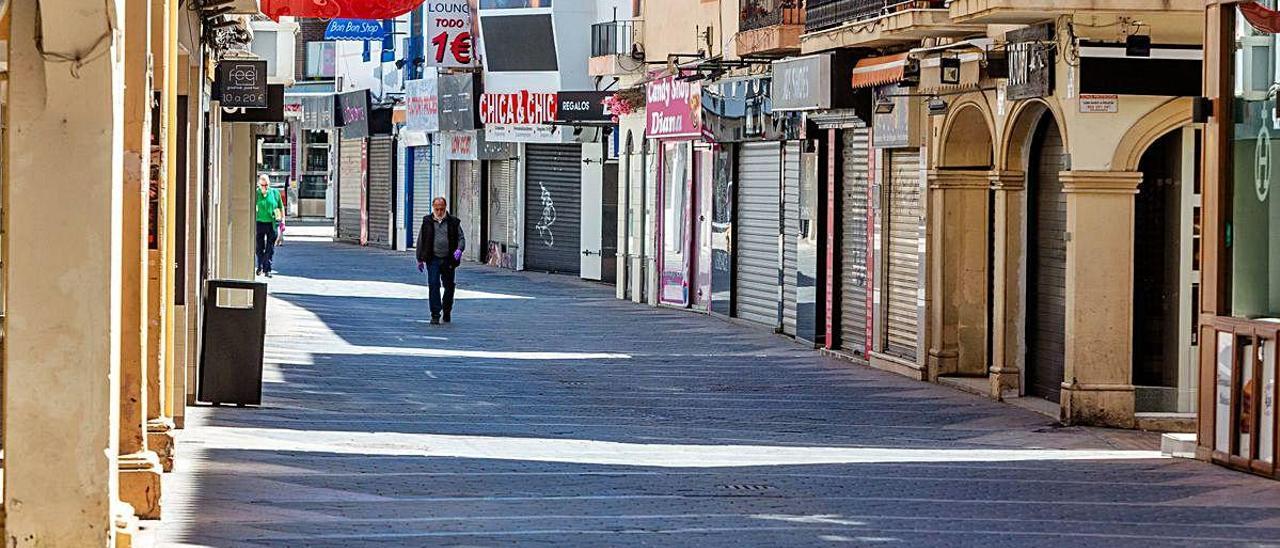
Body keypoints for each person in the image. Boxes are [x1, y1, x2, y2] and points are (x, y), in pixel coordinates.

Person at [416, 197, 465, 325]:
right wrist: (420, 259)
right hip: (433, 259)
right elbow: (421, 240)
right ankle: (435, 314)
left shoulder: (453, 222)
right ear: (433, 208)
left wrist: (459, 249)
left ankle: (447, 310)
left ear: (445, 207)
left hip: (448, 259)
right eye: (437, 209)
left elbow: (461, 238)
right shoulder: (427, 221)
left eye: (441, 209)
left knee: (449, 286)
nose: (439, 211)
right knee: (433, 285)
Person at [254, 174, 283, 277]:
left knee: (270, 248)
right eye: (262, 185)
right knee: (259, 248)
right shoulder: (256, 193)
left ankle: (267, 269)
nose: (264, 187)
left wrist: (282, 222)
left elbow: (280, 206)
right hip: (259, 222)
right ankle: (260, 266)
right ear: (259, 184)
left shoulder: (275, 193)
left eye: (266, 185)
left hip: (272, 223)